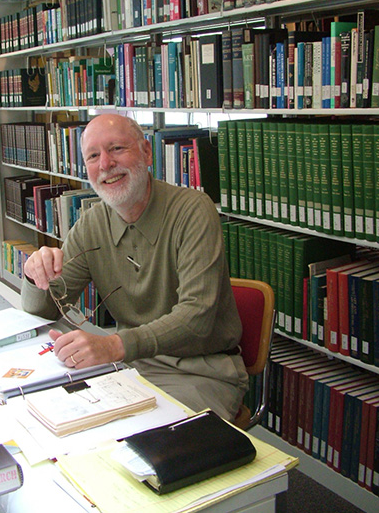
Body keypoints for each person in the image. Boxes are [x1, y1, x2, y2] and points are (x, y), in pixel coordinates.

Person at [21, 113, 248, 420]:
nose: (105, 165)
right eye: (92, 156)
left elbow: (196, 318)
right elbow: (47, 309)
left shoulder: (193, 210)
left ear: (146, 152)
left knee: (153, 447)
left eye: (116, 149)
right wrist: (35, 274)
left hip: (199, 372)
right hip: (128, 368)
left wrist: (114, 346)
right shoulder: (92, 222)